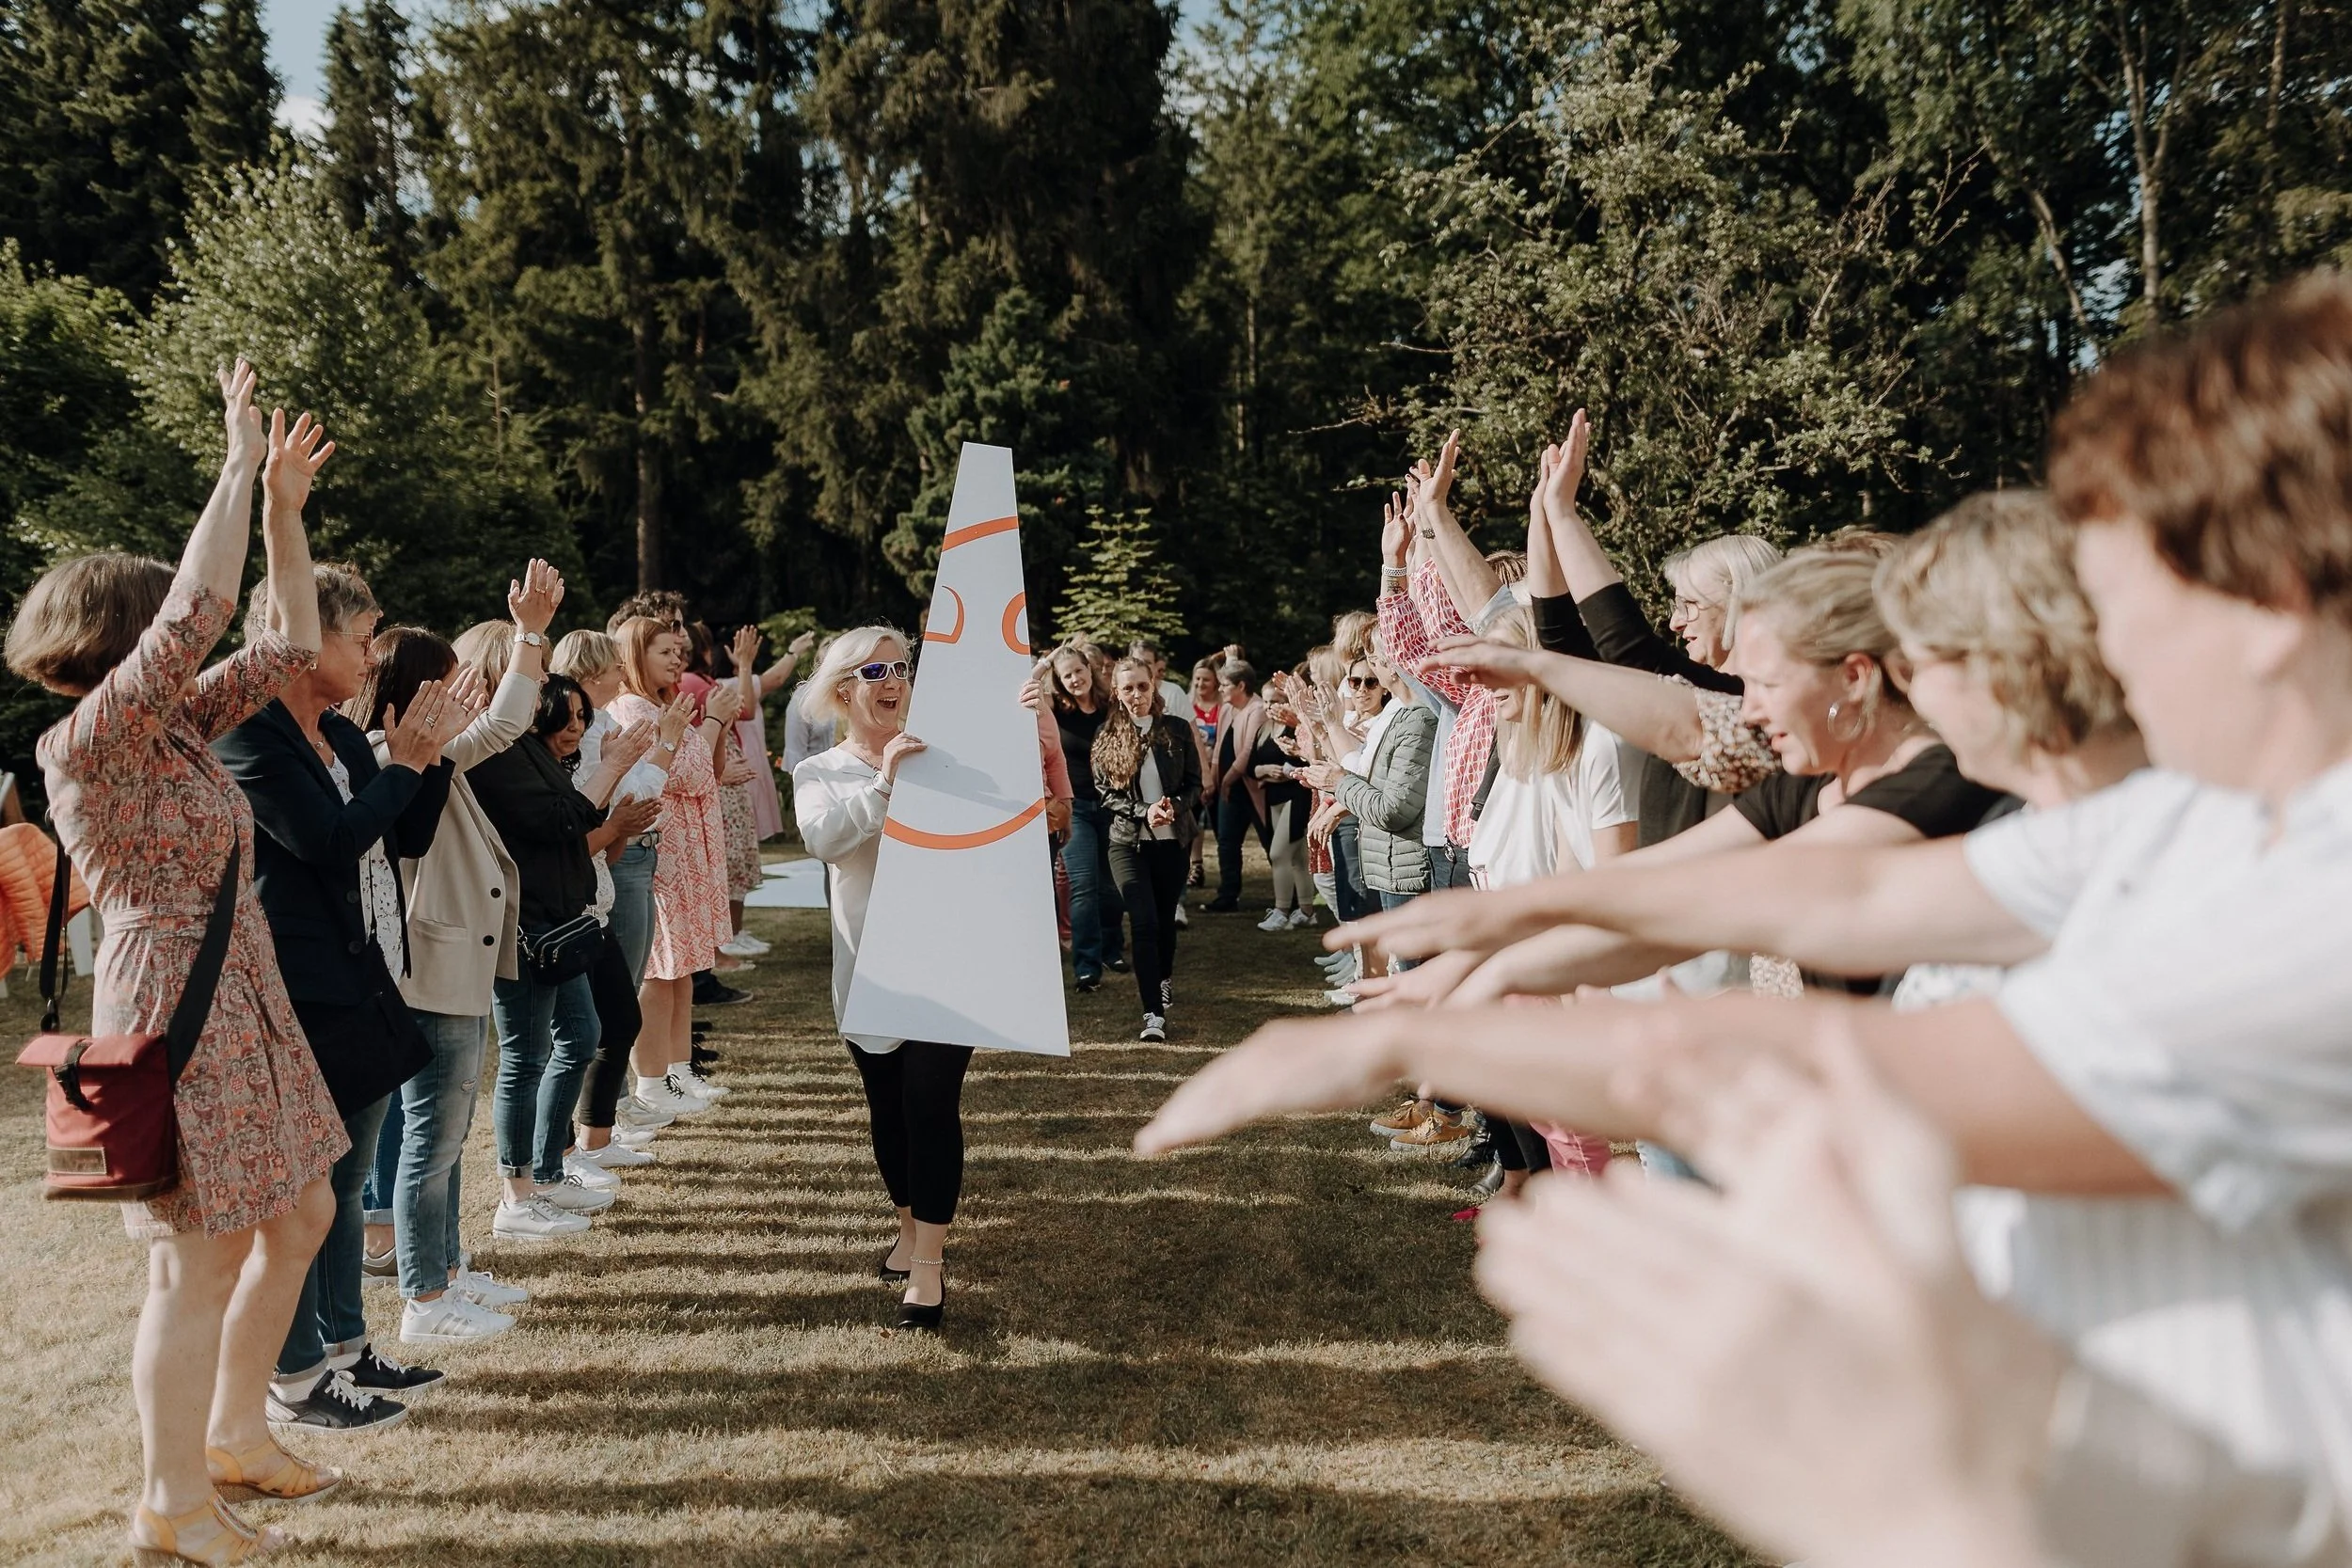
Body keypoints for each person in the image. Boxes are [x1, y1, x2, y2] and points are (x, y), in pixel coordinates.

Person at [1146, 272, 2352, 1542]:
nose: (2097, 645)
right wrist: (1490, 946)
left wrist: (1410, 1035)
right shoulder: (2199, 822)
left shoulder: (2316, 902)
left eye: (2124, 601)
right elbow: (1858, 893)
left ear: (2266, 603)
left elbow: (1849, 1057)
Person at [8, 367, 342, 1560]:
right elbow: (200, 615)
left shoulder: (173, 730)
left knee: (300, 1209)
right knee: (191, 1265)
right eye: (155, 627)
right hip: (174, 1006)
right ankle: (170, 1504)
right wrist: (236, 461)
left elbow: (286, 640)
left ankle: (235, 1434)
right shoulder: (86, 739)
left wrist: (285, 514)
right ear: (120, 637)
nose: (178, 644)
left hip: (240, 988)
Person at [213, 558, 464, 1433]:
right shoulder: (249, 734)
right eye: (358, 637)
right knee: (304, 1188)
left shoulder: (346, 733)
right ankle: (297, 1375)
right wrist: (407, 765)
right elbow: (326, 841)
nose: (369, 653)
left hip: (364, 972)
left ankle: (351, 1346)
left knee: (353, 1171)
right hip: (293, 987)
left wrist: (424, 761)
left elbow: (407, 833)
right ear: (297, 635)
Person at [345, 611, 548, 1335]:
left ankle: (448, 1270)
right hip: (424, 966)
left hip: (445, 959)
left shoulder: (423, 750)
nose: (460, 698)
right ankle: (426, 1296)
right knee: (430, 1139)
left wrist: (530, 638)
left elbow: (499, 726)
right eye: (445, 683)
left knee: (446, 1137)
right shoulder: (380, 757)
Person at [793, 628, 975, 1331]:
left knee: (931, 1104)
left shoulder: (942, 754)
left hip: (948, 962)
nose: (894, 678)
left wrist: (1021, 716)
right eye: (876, 669)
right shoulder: (822, 772)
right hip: (867, 968)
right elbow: (824, 841)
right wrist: (885, 778)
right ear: (845, 689)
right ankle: (907, 1223)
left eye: (902, 666)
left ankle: (927, 1270)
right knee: (890, 1111)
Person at [469, 673, 644, 1237]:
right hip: (526, 928)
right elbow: (562, 822)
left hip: (560, 921)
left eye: (582, 717)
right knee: (524, 1057)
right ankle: (516, 1196)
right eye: (565, 715)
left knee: (583, 1033)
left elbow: (570, 819)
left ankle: (546, 1170)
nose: (575, 728)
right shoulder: (495, 756)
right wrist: (612, 770)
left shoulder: (524, 751)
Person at [551, 629, 695, 1144]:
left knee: (615, 1009)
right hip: (602, 873)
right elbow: (631, 794)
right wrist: (669, 741)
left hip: (613, 865)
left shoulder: (603, 723)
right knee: (604, 1015)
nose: (621, 673)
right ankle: (585, 1134)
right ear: (592, 674)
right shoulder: (587, 733)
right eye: (614, 666)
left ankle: (597, 1130)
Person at [608, 615, 741, 1113]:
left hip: (688, 849)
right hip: (662, 851)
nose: (676, 659)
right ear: (634, 656)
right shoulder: (631, 709)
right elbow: (681, 773)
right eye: (664, 651)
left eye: (677, 652)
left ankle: (680, 1071)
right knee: (660, 970)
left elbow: (711, 769)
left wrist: (718, 724)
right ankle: (652, 1079)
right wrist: (711, 720)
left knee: (683, 966)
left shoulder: (666, 706)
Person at [1093, 656, 1202, 1040]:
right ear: (1117, 693)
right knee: (1143, 922)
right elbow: (1106, 794)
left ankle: (1164, 978)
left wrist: (1172, 808)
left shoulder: (1175, 730)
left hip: (1171, 842)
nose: (1136, 694)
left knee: (1165, 921)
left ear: (1153, 685)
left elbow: (1194, 784)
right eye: (1128, 688)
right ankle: (1152, 1014)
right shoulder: (1107, 735)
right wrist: (1144, 811)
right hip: (1127, 843)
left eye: (1142, 686)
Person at [1044, 642, 1127, 988]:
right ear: (1060, 682)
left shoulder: (1111, 707)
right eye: (1067, 676)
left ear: (1090, 669)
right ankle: (1087, 965)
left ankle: (1113, 949)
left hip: (1113, 805)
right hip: (1075, 808)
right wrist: (1049, 661)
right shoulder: (1057, 711)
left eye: (1079, 671)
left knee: (1110, 886)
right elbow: (1029, 687)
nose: (1075, 679)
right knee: (1083, 885)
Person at [1203, 660, 1270, 912]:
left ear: (1241, 685)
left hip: (1253, 788)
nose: (1220, 689)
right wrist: (1212, 780)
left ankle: (1292, 898)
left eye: (1225, 685)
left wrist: (1227, 781)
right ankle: (1228, 895)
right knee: (1227, 842)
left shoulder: (1257, 710)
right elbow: (1220, 747)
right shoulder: (1226, 709)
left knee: (1269, 841)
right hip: (1227, 788)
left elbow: (1247, 753)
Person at [1185, 657, 1223, 889]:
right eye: (1197, 678)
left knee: (1221, 827)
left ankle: (1227, 876)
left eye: (1206, 679)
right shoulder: (1187, 704)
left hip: (1220, 773)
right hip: (1193, 775)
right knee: (1193, 824)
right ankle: (1195, 867)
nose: (1200, 683)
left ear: (1216, 682)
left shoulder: (1223, 706)